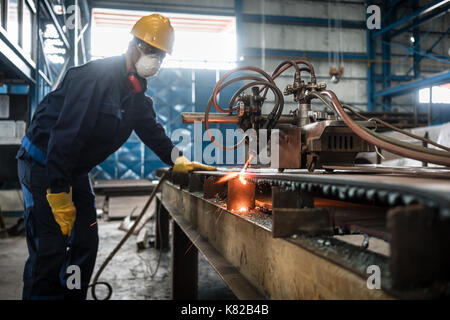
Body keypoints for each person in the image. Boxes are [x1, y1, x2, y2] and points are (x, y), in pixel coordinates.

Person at [16, 13, 213, 300]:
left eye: (161, 55)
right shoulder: (93, 78)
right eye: (151, 51)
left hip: (74, 170)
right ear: (133, 45)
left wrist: (177, 159)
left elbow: (152, 132)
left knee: (84, 242)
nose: (155, 60)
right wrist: (58, 193)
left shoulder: (136, 95)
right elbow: (65, 137)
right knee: (51, 248)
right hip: (43, 166)